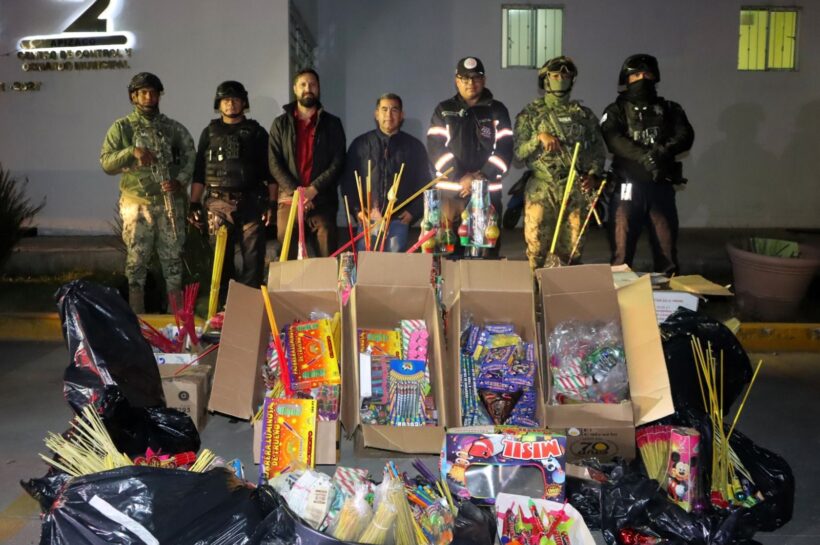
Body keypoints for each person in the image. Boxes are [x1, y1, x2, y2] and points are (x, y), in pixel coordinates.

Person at [100, 72, 195, 314]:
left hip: (169, 203)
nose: (149, 97)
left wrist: (180, 181)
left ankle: (176, 318)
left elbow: (190, 156)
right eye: (143, 92)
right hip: (137, 204)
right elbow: (107, 162)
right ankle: (137, 317)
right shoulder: (122, 127)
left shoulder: (172, 128)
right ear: (133, 96)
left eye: (153, 92)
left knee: (173, 262)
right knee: (136, 262)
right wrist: (132, 151)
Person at [601, 54, 694, 274]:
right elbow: (613, 140)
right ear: (626, 79)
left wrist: (661, 152)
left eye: (647, 74)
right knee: (621, 253)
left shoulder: (670, 108)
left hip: (660, 188)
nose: (642, 79)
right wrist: (645, 156)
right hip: (626, 188)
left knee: (667, 251)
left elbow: (685, 135)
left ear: (655, 77)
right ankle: (621, 294)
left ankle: (668, 293)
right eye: (635, 75)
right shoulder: (615, 110)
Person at [514, 56, 606, 269]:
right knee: (537, 248)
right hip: (542, 189)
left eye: (565, 76)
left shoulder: (584, 116)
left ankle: (564, 290)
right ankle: (537, 289)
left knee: (572, 250)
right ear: (545, 80)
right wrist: (539, 138)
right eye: (555, 76)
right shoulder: (530, 114)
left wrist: (593, 175)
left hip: (575, 190)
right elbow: (518, 152)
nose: (561, 80)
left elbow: (598, 152)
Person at [188, 81, 275, 303]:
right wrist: (194, 204)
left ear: (244, 103)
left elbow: (270, 172)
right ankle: (222, 309)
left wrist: (271, 204)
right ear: (218, 104)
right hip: (217, 204)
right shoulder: (209, 133)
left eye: (236, 99)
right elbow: (199, 172)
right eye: (226, 100)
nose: (231, 103)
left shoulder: (257, 133)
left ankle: (249, 308)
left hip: (252, 203)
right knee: (220, 263)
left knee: (253, 263)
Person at [427, 57, 513, 257]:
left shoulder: (497, 110)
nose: (470, 83)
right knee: (447, 255)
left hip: (487, 194)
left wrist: (482, 176)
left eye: (476, 78)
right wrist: (461, 177)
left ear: (484, 80)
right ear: (456, 81)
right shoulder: (444, 110)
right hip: (450, 196)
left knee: (484, 254)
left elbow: (505, 148)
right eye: (464, 78)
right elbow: (435, 148)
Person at [268, 68, 345, 258]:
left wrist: (313, 190)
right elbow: (274, 162)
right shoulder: (280, 124)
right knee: (286, 241)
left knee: (327, 242)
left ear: (318, 88)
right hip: (289, 198)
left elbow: (338, 162)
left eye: (312, 84)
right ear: (295, 89)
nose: (307, 88)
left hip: (322, 198)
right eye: (303, 84)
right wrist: (298, 193)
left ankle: (326, 279)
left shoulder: (333, 124)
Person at [342, 93, 432, 252]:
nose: (389, 115)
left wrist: (413, 212)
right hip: (368, 220)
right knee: (366, 263)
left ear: (402, 115)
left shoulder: (414, 147)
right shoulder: (360, 144)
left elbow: (425, 184)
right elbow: (348, 181)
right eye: (384, 109)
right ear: (376, 114)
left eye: (394, 110)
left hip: (399, 220)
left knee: (394, 264)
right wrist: (356, 210)